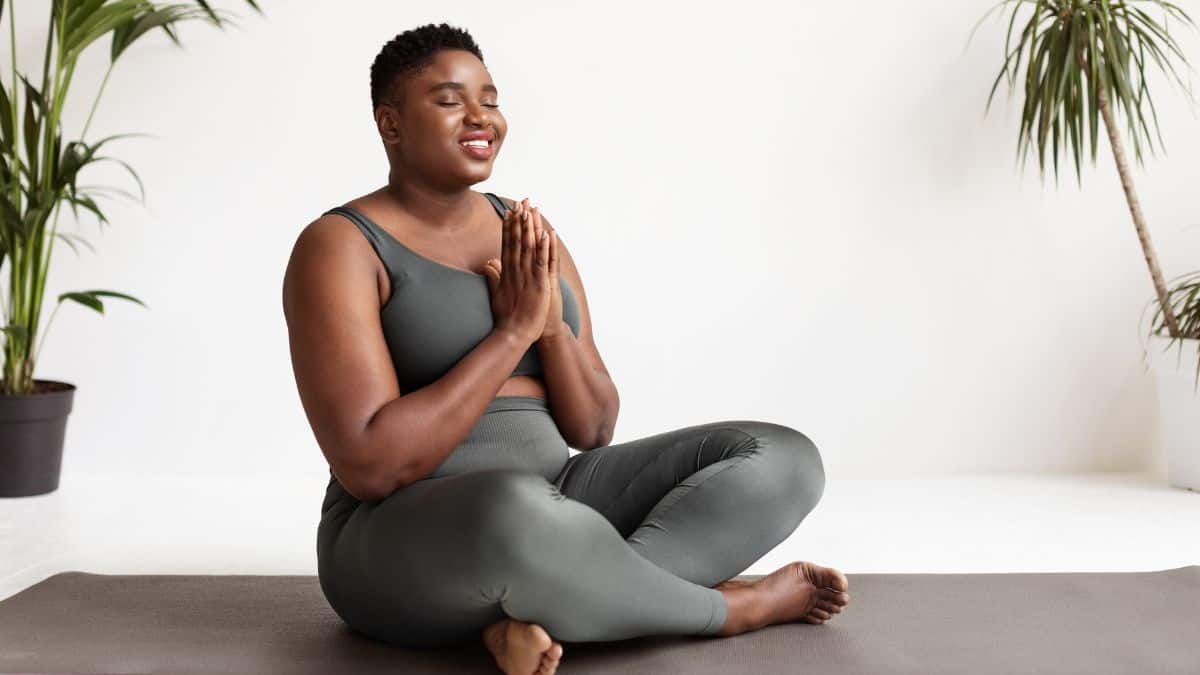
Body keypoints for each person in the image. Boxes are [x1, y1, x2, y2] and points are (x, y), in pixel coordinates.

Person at [282, 22, 850, 675]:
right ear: (391, 123)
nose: (480, 116)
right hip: (403, 535)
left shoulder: (524, 231)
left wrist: (551, 329)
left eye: (490, 99)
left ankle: (538, 618)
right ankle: (728, 609)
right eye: (448, 99)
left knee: (783, 459)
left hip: (558, 499)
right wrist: (513, 332)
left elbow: (595, 425)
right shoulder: (341, 246)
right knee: (516, 511)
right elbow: (371, 466)